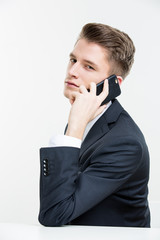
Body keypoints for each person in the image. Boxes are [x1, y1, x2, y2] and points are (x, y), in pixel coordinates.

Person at [38, 23, 150, 227]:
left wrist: (74, 128)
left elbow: (54, 214)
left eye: (88, 66)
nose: (72, 71)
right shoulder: (92, 119)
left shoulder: (125, 144)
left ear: (113, 84)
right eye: (73, 60)